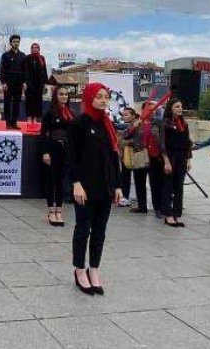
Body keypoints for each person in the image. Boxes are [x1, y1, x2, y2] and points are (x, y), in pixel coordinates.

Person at [68, 82, 122, 295]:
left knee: (100, 231)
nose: (102, 99)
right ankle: (80, 269)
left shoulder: (108, 124)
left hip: (105, 187)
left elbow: (114, 156)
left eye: (105, 96)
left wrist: (117, 185)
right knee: (83, 229)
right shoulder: (79, 123)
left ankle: (94, 269)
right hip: (85, 187)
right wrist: (76, 183)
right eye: (98, 96)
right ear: (89, 98)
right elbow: (71, 157)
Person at [40, 86, 75, 226]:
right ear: (56, 96)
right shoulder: (49, 113)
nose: (64, 97)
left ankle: (59, 211)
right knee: (51, 180)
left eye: (66, 94)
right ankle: (51, 210)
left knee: (61, 181)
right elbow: (43, 133)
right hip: (52, 147)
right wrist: (45, 152)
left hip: (66, 149)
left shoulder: (71, 113)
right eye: (61, 94)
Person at [160, 98, 192, 227]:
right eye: (177, 106)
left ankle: (177, 214)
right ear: (170, 108)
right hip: (170, 156)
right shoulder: (165, 123)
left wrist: (189, 160)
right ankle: (167, 215)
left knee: (179, 186)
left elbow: (188, 143)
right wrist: (166, 161)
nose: (180, 108)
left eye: (181, 106)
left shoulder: (184, 123)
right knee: (168, 186)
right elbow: (162, 144)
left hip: (182, 157)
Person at [0, 34, 27, 130]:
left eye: (18, 41)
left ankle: (14, 122)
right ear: (11, 43)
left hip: (18, 83)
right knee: (7, 103)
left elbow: (25, 70)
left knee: (16, 104)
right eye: (14, 41)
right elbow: (2, 70)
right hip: (8, 83)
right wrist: (3, 83)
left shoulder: (23, 56)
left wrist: (24, 82)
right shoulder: (5, 55)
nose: (16, 43)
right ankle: (8, 123)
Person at [118, 107, 144, 208]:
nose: (124, 117)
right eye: (123, 115)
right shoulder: (128, 125)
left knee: (138, 177)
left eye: (126, 115)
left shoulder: (138, 124)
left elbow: (137, 139)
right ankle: (125, 196)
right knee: (125, 175)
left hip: (137, 153)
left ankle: (138, 199)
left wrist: (124, 142)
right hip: (127, 154)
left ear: (133, 115)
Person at [25, 43, 48, 123]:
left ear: (39, 49)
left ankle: (35, 118)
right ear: (31, 49)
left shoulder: (41, 58)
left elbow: (44, 71)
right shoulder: (28, 57)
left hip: (39, 84)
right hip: (30, 83)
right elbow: (25, 71)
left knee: (37, 101)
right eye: (33, 47)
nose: (35, 49)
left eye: (36, 47)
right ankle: (29, 117)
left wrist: (45, 83)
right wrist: (25, 82)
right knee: (29, 101)